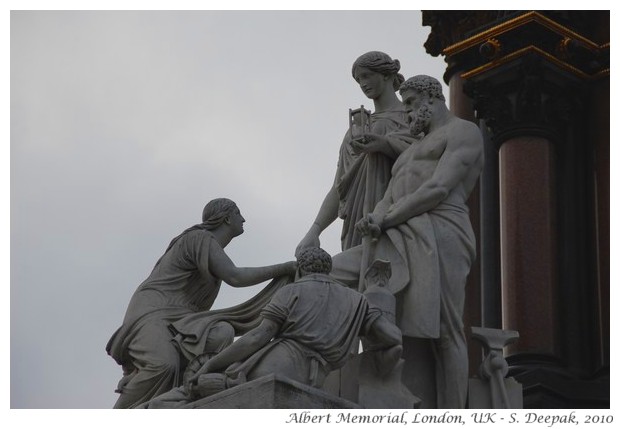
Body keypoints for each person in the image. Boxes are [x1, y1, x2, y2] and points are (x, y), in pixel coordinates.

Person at [330, 75, 484, 408]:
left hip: (442, 230)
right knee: (329, 273)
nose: (409, 113)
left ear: (432, 98)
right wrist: (375, 216)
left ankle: (454, 413)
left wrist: (386, 216)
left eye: (412, 103)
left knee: (447, 330)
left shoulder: (463, 132)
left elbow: (438, 189)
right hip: (394, 231)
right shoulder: (409, 150)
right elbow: (389, 195)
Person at [106, 198, 297, 408]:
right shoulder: (199, 238)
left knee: (221, 332)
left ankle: (194, 397)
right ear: (226, 218)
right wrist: (285, 268)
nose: (243, 219)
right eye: (238, 213)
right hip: (154, 311)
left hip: (182, 319)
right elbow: (235, 277)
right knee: (163, 365)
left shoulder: (210, 249)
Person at [186, 247, 403, 396]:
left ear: (299, 270)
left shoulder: (291, 291)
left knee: (198, 391)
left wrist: (210, 364)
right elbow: (393, 338)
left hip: (274, 368)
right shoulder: (358, 301)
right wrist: (384, 364)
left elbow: (256, 337)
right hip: (317, 379)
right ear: (328, 270)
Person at [296, 51, 412, 253]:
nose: (363, 84)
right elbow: (339, 188)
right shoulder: (355, 130)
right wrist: (315, 230)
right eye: (358, 80)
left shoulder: (411, 116)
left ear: (386, 74)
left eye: (367, 76)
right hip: (356, 223)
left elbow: (426, 158)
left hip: (396, 215)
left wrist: (384, 145)